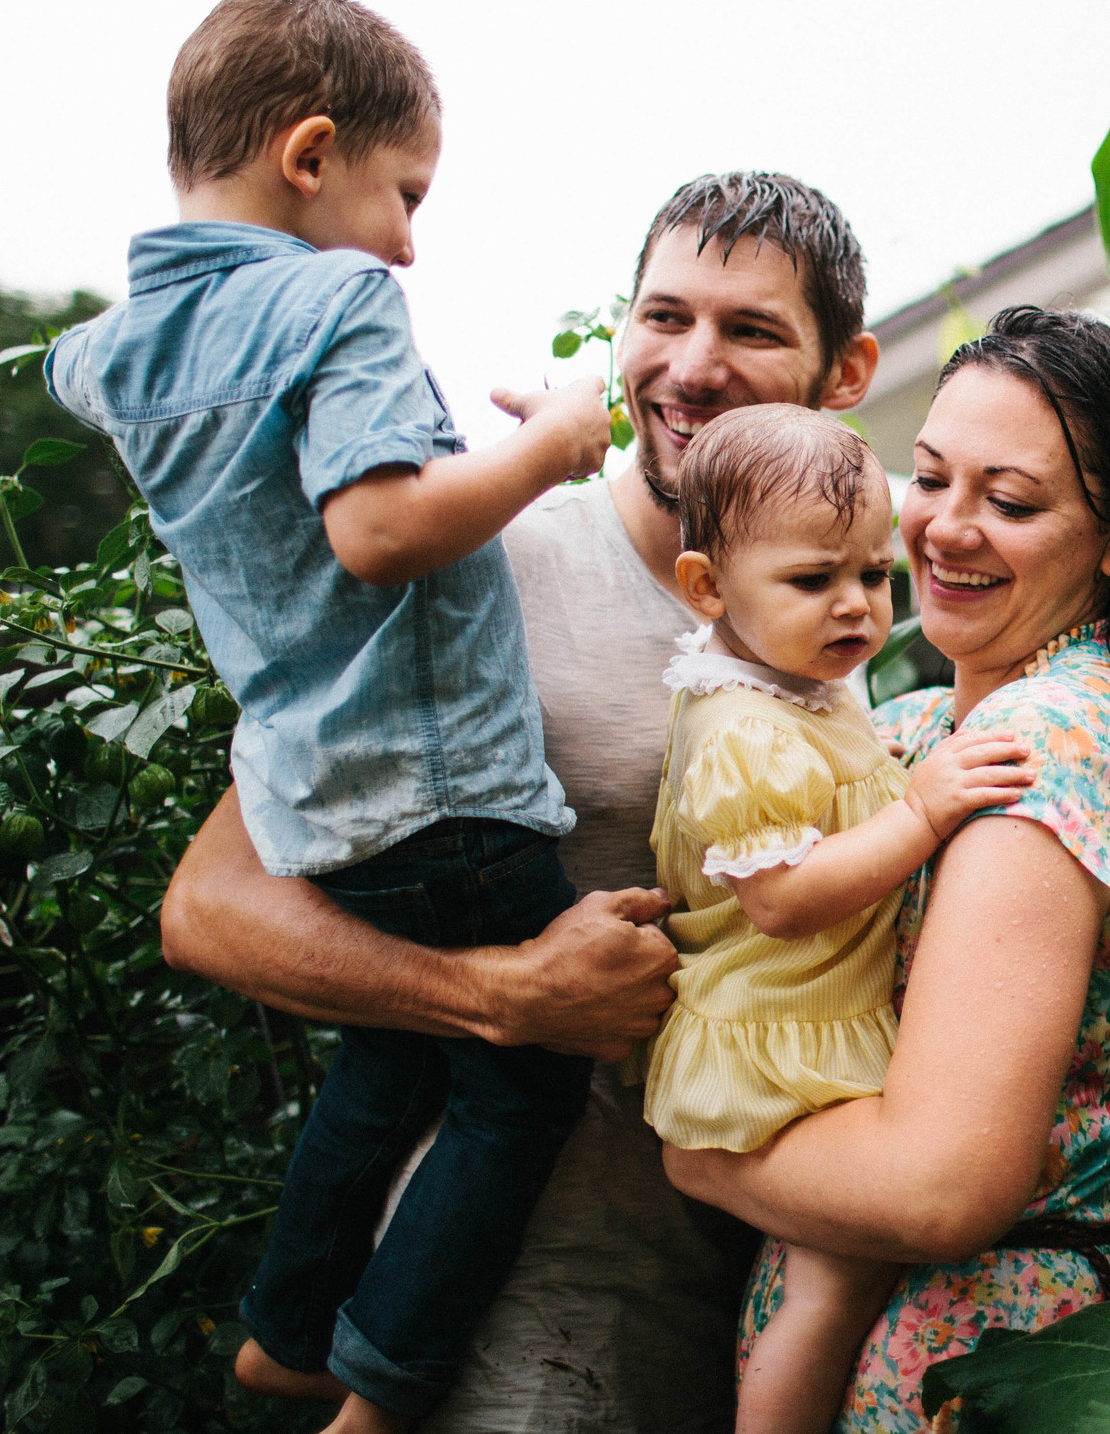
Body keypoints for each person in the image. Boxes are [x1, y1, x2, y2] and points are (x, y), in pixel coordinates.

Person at [160, 170, 882, 1431]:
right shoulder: (490, 571)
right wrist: (499, 994)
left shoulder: (839, 621)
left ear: (846, 373)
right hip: (492, 1318)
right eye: (664, 316)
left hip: (733, 1297)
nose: (691, 366)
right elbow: (209, 908)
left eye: (752, 329)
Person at [48, 0, 625, 1432]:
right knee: (523, 1084)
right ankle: (381, 1378)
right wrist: (553, 446)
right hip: (449, 783)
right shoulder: (339, 298)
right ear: (309, 154)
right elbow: (378, 530)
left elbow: (74, 372)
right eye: (404, 193)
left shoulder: (119, 348)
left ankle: (289, 1325)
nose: (409, 241)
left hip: (313, 799)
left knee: (388, 1055)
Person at [663, 307, 1110, 1432]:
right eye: (930, 478)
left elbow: (938, 1188)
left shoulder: (1041, 754)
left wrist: (696, 1154)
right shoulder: (914, 731)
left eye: (1009, 501)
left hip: (966, 1366)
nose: (946, 528)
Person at [645, 405, 1033, 1434]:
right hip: (776, 1032)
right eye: (815, 579)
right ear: (707, 588)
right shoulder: (742, 729)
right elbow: (781, 899)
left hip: (810, 1013)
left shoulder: (798, 687)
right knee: (831, 1284)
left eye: (873, 572)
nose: (856, 605)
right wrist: (920, 812)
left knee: (837, 1273)